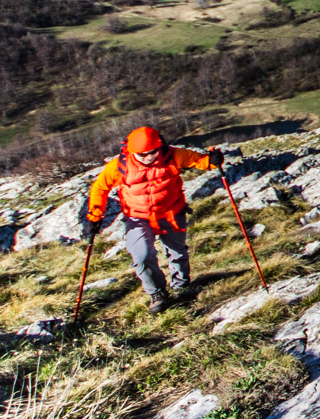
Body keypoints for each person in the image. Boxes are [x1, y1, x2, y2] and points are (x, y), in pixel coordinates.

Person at [83, 126, 221, 312]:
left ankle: (181, 287)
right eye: (143, 154)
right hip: (137, 217)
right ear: (132, 152)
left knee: (177, 251)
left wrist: (213, 160)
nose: (149, 157)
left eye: (153, 152)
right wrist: (94, 216)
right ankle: (157, 293)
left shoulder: (173, 155)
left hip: (172, 212)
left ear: (160, 146)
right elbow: (100, 188)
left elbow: (201, 161)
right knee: (141, 256)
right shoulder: (119, 167)